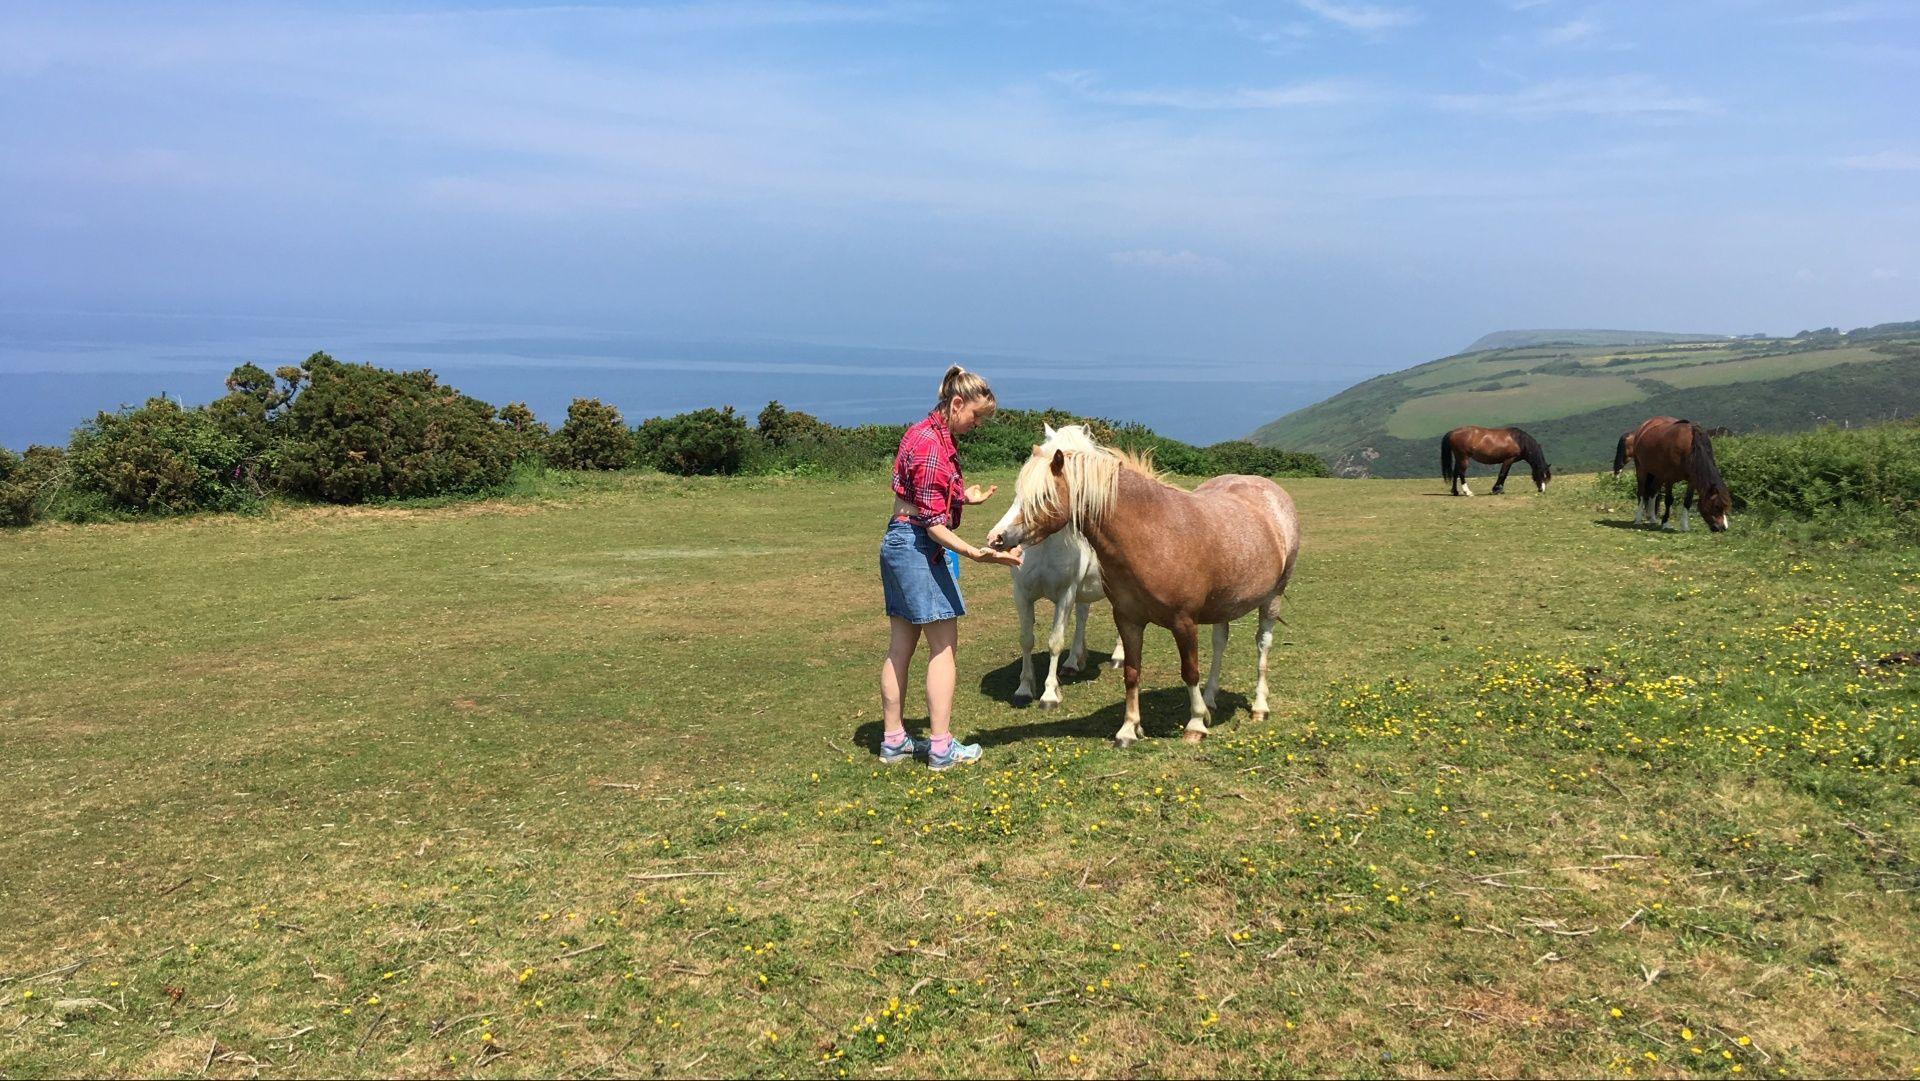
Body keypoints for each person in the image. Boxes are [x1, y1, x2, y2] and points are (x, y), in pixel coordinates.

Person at [878, 365, 1023, 770]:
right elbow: (932, 523)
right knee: (943, 646)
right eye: (975, 416)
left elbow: (924, 494)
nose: (977, 425)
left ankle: (893, 741)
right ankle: (940, 748)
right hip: (918, 546)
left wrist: (964, 497)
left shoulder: (921, 432)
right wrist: (977, 553)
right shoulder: (931, 445)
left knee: (901, 645)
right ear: (956, 404)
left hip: (898, 539)